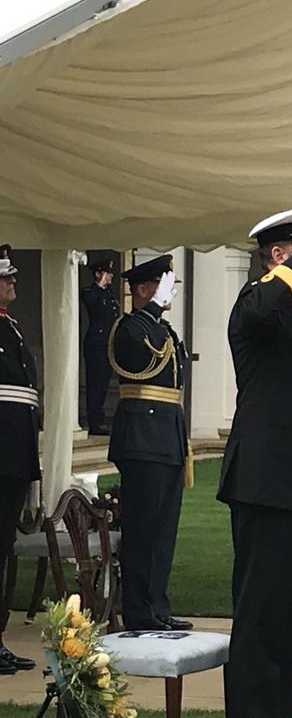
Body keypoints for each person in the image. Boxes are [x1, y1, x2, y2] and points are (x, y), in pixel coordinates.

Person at [218, 201, 292, 718]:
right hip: (263, 481)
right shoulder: (255, 302)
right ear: (277, 255)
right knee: (260, 612)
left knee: (290, 618)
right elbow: (259, 311)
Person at [107, 254, 191, 632]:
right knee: (143, 529)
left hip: (167, 435)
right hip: (142, 438)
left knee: (163, 531)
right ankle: (138, 609)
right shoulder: (129, 327)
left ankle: (157, 604)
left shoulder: (163, 329)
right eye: (160, 284)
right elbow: (137, 355)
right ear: (142, 289)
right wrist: (153, 306)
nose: (168, 292)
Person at [0, 245, 39, 674]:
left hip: (12, 456)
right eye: (6, 277)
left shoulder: (10, 329)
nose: (13, 282)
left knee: (1, 549)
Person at [81, 257, 120, 435]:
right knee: (95, 383)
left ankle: (99, 418)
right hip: (96, 343)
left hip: (107, 343)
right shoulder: (91, 292)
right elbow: (91, 302)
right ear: (98, 273)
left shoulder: (109, 293)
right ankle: (95, 421)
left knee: (103, 382)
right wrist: (99, 283)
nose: (111, 276)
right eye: (107, 272)